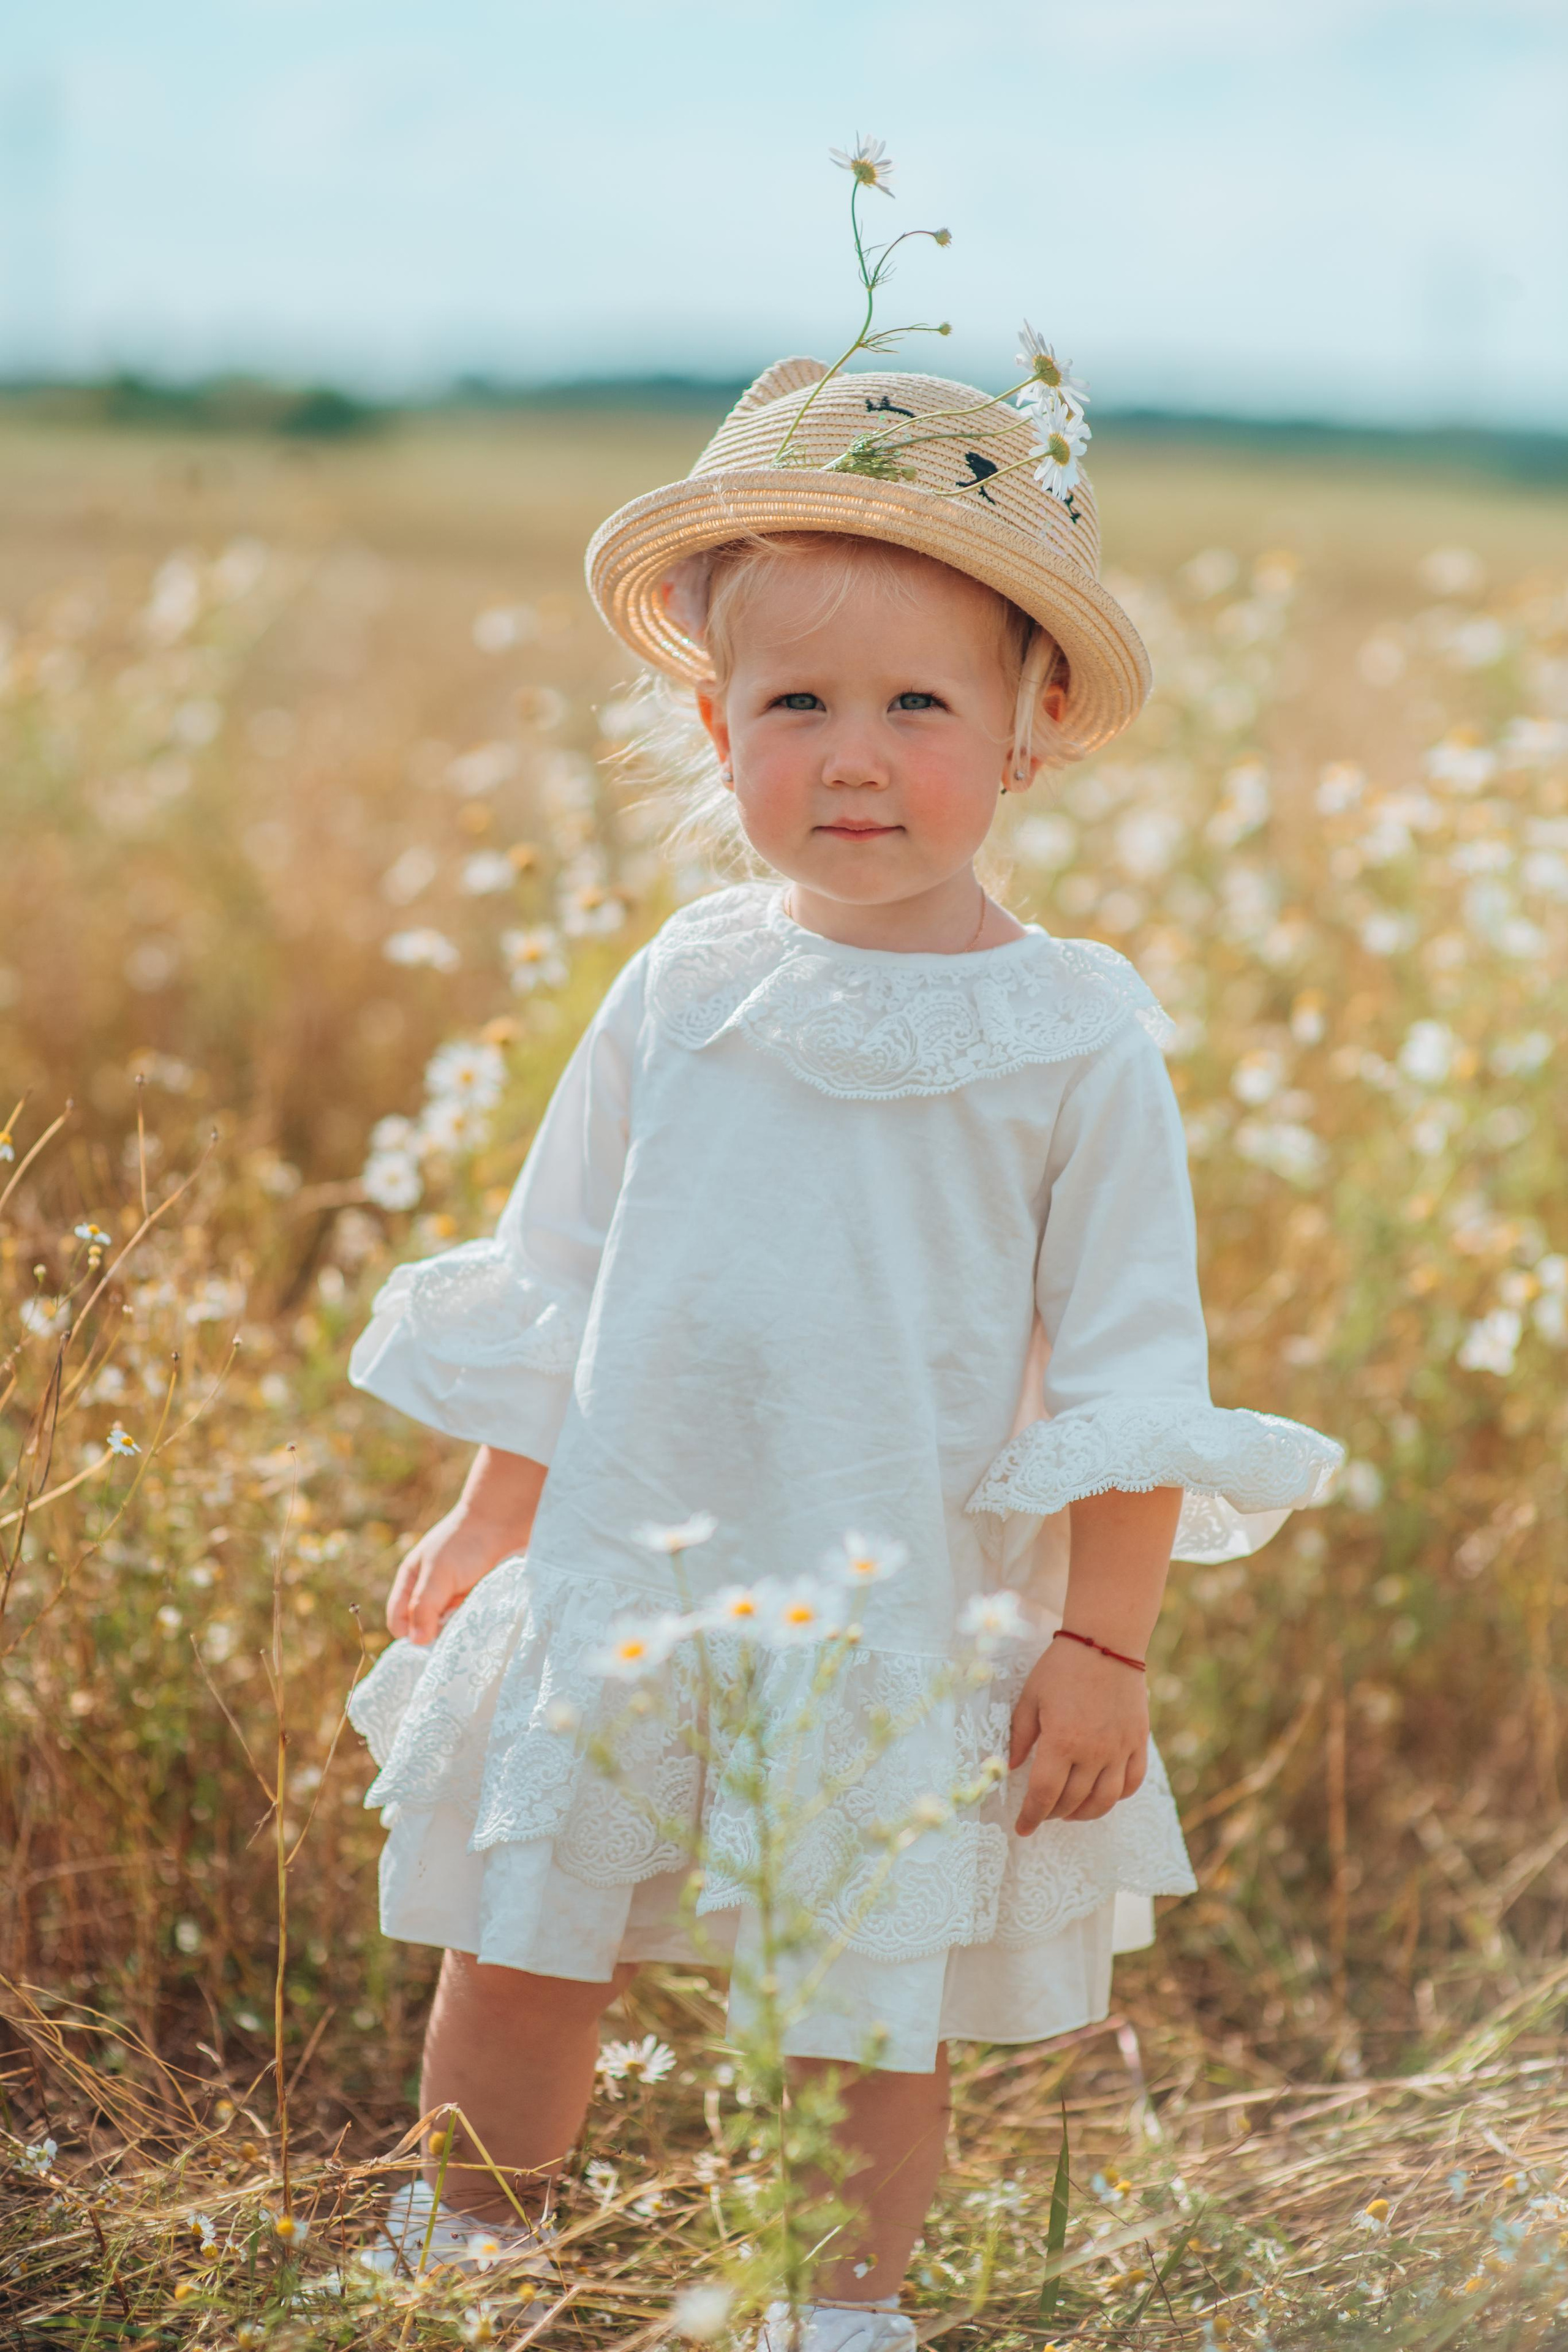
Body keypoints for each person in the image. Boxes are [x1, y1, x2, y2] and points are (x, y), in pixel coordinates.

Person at [345, 352, 1343, 2339]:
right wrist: (495, 1510)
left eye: (920, 707)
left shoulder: (1071, 1037)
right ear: (716, 728)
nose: (855, 759)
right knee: (524, 1938)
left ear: (1030, 733)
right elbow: (566, 1266)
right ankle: (460, 2249)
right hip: (631, 1559)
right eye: (797, 705)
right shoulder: (685, 981)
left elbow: (1132, 1371)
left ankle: (839, 2305)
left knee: (860, 1998)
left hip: (893, 1593)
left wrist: (1104, 1642)